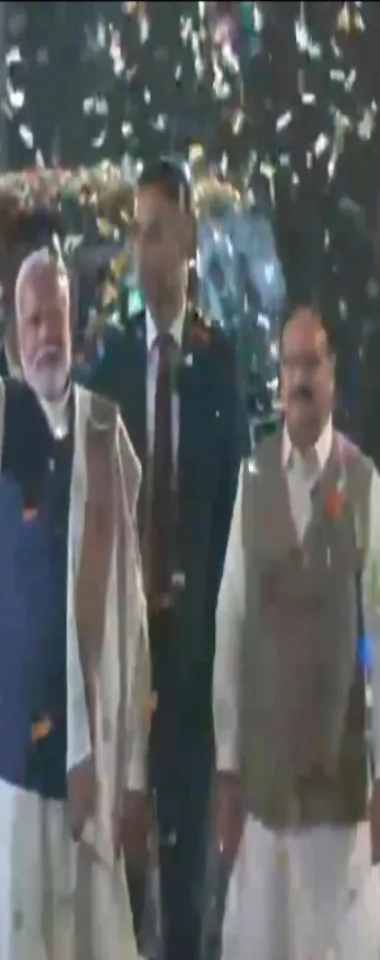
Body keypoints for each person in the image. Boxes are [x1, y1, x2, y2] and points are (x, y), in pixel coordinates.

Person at [0, 189, 151, 959]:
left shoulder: (105, 432)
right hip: (11, 751)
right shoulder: (0, 415)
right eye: (31, 322)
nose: (45, 335)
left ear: (73, 322)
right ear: (14, 334)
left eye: (55, 318)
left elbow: (129, 611)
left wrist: (131, 771)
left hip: (86, 758)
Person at [88, 158, 249, 958]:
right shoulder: (112, 362)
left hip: (192, 662)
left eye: (157, 232)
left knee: (185, 899)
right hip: (125, 659)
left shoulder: (220, 365)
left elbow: (235, 520)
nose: (143, 249)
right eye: (136, 232)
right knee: (117, 889)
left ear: (188, 239)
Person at [212, 305, 380, 958]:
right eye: (290, 364)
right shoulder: (251, 478)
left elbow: (375, 638)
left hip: (337, 803)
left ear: (332, 373)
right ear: (278, 377)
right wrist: (227, 766)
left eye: (312, 363)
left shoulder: (364, 486)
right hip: (262, 796)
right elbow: (231, 624)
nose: (301, 378)